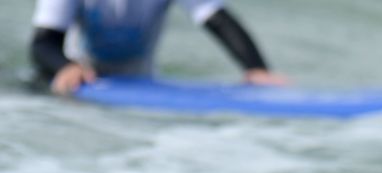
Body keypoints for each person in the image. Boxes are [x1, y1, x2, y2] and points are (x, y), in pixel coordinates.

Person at [28, 0, 285, 96]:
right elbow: (43, 43)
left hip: (141, 87)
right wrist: (66, 67)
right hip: (77, 89)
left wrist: (256, 69)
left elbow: (216, 18)